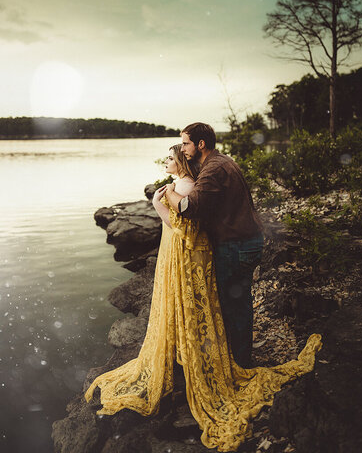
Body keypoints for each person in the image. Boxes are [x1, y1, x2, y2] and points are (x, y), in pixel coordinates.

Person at [85, 143, 322, 452]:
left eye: (171, 156)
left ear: (183, 159)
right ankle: (188, 352)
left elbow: (185, 227)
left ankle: (197, 358)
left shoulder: (185, 186)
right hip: (180, 253)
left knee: (190, 305)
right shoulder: (182, 184)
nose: (166, 161)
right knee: (188, 306)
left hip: (184, 255)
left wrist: (159, 209)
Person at [164, 122, 264, 368]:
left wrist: (169, 193)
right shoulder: (220, 162)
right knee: (237, 302)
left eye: (186, 143)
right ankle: (239, 356)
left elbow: (189, 208)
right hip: (244, 241)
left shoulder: (213, 169)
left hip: (237, 245)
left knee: (233, 305)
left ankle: (240, 364)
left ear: (201, 144)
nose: (183, 148)